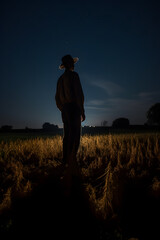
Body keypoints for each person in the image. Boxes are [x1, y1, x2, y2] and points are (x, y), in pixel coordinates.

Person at [55, 54, 85, 179]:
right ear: (70, 65)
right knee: (76, 133)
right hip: (74, 107)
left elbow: (57, 98)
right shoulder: (74, 76)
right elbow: (78, 93)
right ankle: (73, 159)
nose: (73, 65)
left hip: (65, 109)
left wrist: (62, 109)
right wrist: (82, 110)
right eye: (72, 63)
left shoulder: (60, 79)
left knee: (67, 135)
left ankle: (65, 159)